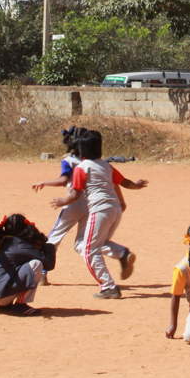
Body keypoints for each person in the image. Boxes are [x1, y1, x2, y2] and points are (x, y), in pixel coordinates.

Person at [50, 128, 147, 300]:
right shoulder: (106, 166)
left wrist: (62, 201)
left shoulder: (82, 168)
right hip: (115, 209)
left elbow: (75, 194)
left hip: (99, 210)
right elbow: (124, 183)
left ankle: (108, 286)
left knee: (88, 250)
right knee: (97, 243)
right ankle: (122, 254)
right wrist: (137, 185)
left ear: (80, 150)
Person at [31, 127, 87, 283]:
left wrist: (44, 182)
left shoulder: (69, 161)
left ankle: (42, 272)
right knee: (83, 242)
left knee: (54, 237)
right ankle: (104, 266)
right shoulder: (89, 161)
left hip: (72, 202)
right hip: (90, 204)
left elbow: (63, 180)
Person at [0, 214, 55, 316]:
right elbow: (49, 265)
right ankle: (20, 305)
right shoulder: (21, 245)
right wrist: (49, 247)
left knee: (18, 267)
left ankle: (4, 306)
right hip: (1, 296)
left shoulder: (4, 241)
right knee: (36, 264)